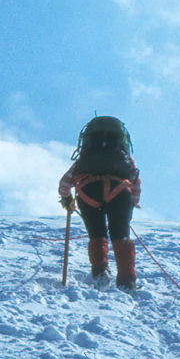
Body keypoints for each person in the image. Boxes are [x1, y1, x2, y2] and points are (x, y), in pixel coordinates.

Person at [58, 116, 141, 290]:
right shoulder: (124, 158)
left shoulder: (84, 159)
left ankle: (100, 273)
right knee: (121, 235)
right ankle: (127, 281)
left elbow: (65, 182)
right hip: (120, 192)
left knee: (97, 234)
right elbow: (135, 180)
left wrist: (67, 199)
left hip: (88, 192)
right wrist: (131, 204)